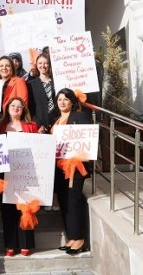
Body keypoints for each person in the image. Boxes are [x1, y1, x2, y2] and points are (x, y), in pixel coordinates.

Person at [51, 88, 92, 255]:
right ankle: (72, 237)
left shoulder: (79, 116)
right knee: (64, 202)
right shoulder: (56, 120)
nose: (62, 102)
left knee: (73, 200)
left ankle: (79, 238)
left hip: (75, 166)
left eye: (66, 99)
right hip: (59, 167)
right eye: (59, 99)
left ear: (72, 102)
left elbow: (88, 138)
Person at [0, 97, 38, 256]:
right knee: (8, 208)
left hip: (26, 172)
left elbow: (38, 148)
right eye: (13, 105)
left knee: (25, 207)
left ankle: (25, 244)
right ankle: (10, 244)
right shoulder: (0, 126)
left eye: (19, 106)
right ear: (7, 109)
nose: (16, 108)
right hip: (6, 173)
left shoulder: (31, 126)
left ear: (23, 110)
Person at [27, 53, 56, 133]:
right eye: (40, 63)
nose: (43, 66)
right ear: (36, 65)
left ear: (49, 65)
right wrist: (38, 124)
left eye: (46, 63)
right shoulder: (31, 84)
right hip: (40, 125)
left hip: (57, 123)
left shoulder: (56, 82)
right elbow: (30, 108)